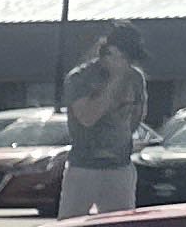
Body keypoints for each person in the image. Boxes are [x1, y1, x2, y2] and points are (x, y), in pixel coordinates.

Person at [59, 26, 148, 216]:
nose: (129, 64)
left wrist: (122, 137)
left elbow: (137, 116)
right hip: (85, 166)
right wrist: (115, 79)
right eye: (125, 57)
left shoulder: (135, 78)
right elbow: (87, 118)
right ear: (110, 53)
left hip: (120, 166)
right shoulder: (80, 78)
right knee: (71, 226)